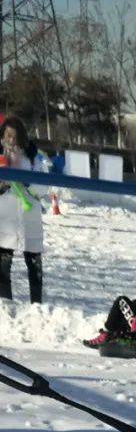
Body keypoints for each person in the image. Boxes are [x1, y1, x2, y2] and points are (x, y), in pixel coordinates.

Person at [0, 115, 47, 305]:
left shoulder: (32, 156)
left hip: (30, 215)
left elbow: (44, 188)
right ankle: (5, 303)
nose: (11, 140)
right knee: (3, 261)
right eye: (8, 136)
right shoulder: (0, 156)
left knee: (34, 261)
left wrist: (30, 184)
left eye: (15, 136)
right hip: (5, 216)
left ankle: (37, 304)